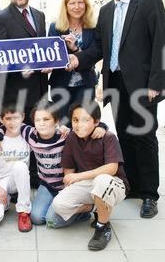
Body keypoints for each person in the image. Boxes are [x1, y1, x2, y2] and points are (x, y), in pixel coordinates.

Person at [67, 0, 165, 218]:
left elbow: (162, 43)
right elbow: (99, 49)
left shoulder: (148, 1)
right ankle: (133, 185)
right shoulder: (106, 11)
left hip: (142, 86)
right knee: (125, 137)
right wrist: (77, 57)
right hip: (115, 84)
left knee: (145, 137)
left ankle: (149, 194)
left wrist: (155, 84)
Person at [0, 101, 106, 228]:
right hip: (47, 185)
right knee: (37, 218)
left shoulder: (65, 136)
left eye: (46, 119)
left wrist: (102, 127)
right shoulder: (30, 134)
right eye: (37, 120)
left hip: (67, 185)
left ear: (56, 121)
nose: (41, 123)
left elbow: (85, 128)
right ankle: (59, 206)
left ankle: (87, 210)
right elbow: (9, 125)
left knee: (52, 220)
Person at [0, 0, 48, 188]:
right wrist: (17, 68)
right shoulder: (0, 19)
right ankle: (10, 184)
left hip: (39, 90)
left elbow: (42, 51)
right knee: (14, 140)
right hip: (13, 93)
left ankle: (34, 178)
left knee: (35, 135)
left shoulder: (39, 16)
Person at [52, 101, 129, 251]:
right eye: (75, 120)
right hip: (87, 183)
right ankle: (98, 208)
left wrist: (78, 177)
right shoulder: (72, 138)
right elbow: (68, 169)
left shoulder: (108, 137)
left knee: (101, 180)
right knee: (59, 205)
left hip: (113, 184)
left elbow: (112, 168)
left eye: (85, 120)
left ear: (96, 122)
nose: (79, 124)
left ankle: (103, 226)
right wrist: (71, 181)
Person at [48, 0, 98, 125]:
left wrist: (75, 49)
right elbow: (52, 55)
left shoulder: (93, 27)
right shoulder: (55, 27)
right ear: (66, 6)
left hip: (85, 84)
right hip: (61, 84)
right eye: (72, 3)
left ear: (86, 5)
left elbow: (94, 55)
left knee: (83, 125)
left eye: (80, 2)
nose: (77, 7)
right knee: (64, 126)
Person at [0, 104, 32, 232]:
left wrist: (63, 129)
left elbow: (47, 133)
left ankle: (24, 212)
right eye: (8, 118)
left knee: (20, 166)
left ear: (23, 117)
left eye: (16, 118)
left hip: (18, 179)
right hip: (0, 181)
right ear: (1, 119)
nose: (13, 122)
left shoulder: (28, 136)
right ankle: (5, 201)